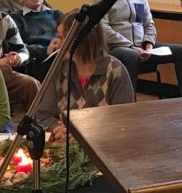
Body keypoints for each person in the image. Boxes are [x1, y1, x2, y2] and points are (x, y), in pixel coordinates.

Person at [94, 0, 182, 98]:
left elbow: (149, 24)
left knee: (181, 51)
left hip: (143, 47)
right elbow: (103, 28)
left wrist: (148, 45)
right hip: (117, 48)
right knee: (132, 56)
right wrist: (131, 47)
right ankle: (129, 104)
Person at [38, 9, 134, 143]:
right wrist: (56, 128)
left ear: (82, 40)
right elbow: (43, 115)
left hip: (102, 149)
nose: (57, 43)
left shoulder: (114, 71)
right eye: (58, 36)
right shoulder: (58, 68)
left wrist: (84, 133)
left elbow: (125, 123)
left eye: (62, 37)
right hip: (64, 147)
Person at [9, 0, 64, 75]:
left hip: (60, 55)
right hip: (35, 62)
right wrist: (45, 50)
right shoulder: (15, 18)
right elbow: (17, 47)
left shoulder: (57, 14)